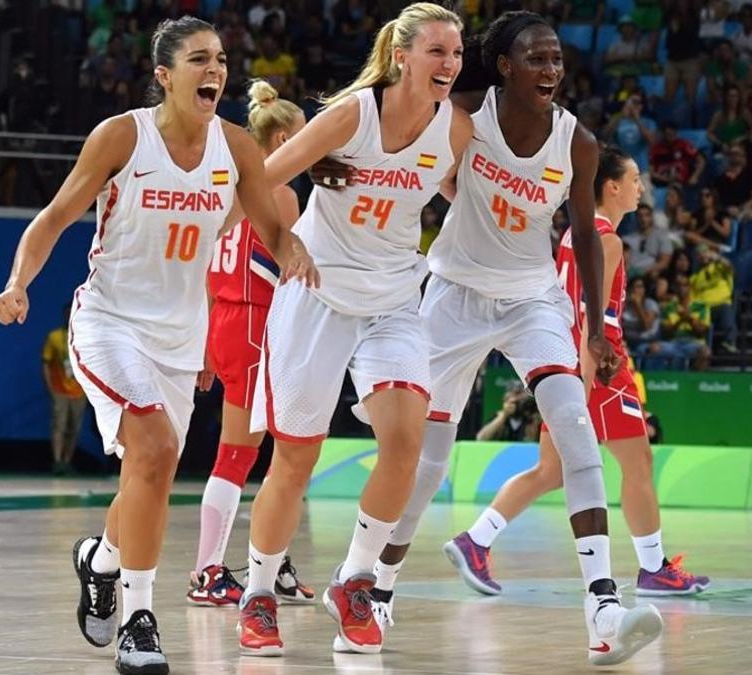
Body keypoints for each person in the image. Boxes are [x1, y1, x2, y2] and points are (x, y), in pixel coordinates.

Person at [0, 16, 316, 674]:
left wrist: (294, 250)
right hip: (111, 321)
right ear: (165, 76)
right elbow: (53, 217)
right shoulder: (122, 137)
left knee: (152, 472)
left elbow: (271, 229)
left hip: (180, 336)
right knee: (157, 449)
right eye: (200, 59)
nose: (216, 70)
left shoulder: (236, 149)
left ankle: (101, 561)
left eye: (221, 59)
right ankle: (140, 619)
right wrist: (18, 280)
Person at [340, 12, 664, 666]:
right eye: (536, 60)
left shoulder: (576, 141)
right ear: (507, 67)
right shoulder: (466, 115)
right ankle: (376, 587)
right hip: (453, 296)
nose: (550, 70)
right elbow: (403, 154)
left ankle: (602, 606)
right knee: (425, 464)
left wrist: (597, 325)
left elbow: (585, 235)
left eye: (557, 60)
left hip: (532, 297)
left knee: (574, 427)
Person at [236, 3, 473, 657]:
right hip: (317, 293)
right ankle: (258, 593)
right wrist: (282, 239)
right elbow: (258, 180)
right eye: (437, 51)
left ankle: (355, 578)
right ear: (401, 56)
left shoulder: (453, 129)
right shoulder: (351, 115)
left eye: (455, 53)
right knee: (296, 459)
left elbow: (467, 194)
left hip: (394, 297)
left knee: (406, 441)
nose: (450, 63)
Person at [444, 147, 709, 599]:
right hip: (599, 368)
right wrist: (585, 384)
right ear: (612, 187)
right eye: (635, 179)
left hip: (565, 359)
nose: (641, 187)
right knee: (637, 461)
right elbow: (591, 319)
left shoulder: (574, 233)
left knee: (551, 470)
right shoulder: (606, 240)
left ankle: (476, 539)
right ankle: (653, 568)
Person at [186, 80, 315, 609]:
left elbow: (201, 267)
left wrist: (203, 346)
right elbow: (298, 265)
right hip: (256, 324)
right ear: (283, 137)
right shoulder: (279, 193)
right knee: (241, 454)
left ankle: (274, 560)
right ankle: (206, 573)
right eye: (303, 139)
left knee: (279, 451)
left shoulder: (225, 186)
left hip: (225, 322)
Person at [43, 303, 87, 474]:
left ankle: (67, 461)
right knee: (59, 424)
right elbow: (47, 363)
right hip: (60, 389)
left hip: (79, 390)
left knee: (74, 427)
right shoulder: (54, 337)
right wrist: (51, 387)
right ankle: (57, 461)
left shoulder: (85, 337)